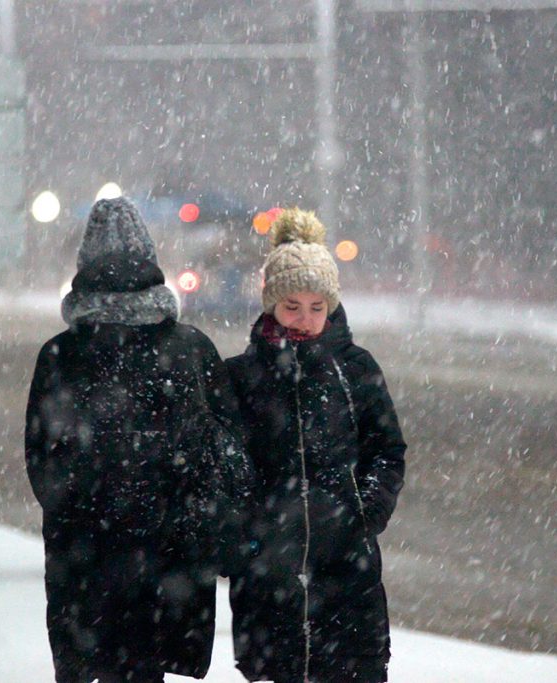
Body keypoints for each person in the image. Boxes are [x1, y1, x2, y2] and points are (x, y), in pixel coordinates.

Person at [25, 196, 252, 683]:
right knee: (147, 671)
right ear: (151, 265)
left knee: (89, 667)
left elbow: (41, 459)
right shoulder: (189, 348)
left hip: (85, 563)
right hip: (167, 564)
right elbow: (228, 451)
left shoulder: (61, 354)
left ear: (84, 267)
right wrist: (195, 520)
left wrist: (85, 515)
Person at [226, 208, 407, 683]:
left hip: (348, 576)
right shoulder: (243, 377)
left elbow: (387, 449)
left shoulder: (356, 368)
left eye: (316, 307)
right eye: (292, 306)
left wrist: (365, 513)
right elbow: (226, 467)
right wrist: (251, 534)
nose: (305, 319)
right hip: (271, 582)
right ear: (270, 304)